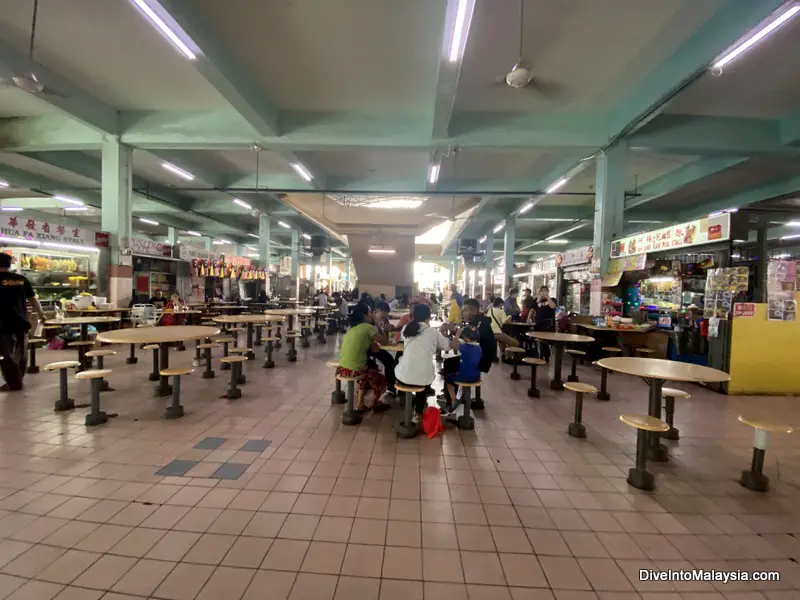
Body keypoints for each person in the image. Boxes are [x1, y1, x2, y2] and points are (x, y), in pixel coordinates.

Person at [395, 304, 458, 422]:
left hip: (403, 377)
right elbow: (448, 345)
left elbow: (404, 338)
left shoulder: (407, 328)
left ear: (412, 316)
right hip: (423, 380)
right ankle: (418, 413)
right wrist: (445, 332)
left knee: (402, 364)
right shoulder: (433, 332)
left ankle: (405, 400)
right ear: (428, 317)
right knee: (422, 382)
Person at [0, 253, 47, 391]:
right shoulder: (21, 280)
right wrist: (41, 314)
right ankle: (18, 379)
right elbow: (33, 299)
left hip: (2, 324)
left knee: (5, 355)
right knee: (21, 354)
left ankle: (13, 383)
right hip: (22, 322)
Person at [440, 298, 496, 404]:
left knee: (450, 364)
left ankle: (450, 400)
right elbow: (467, 336)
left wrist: (454, 331)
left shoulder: (481, 323)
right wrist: (454, 331)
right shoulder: (476, 321)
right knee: (450, 362)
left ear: (474, 311)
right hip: (477, 356)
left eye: (465, 310)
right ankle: (451, 395)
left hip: (482, 360)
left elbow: (471, 336)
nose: (462, 312)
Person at [336, 303, 390, 413]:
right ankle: (375, 403)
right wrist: (378, 325)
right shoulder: (368, 327)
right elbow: (385, 341)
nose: (372, 315)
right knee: (381, 379)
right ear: (365, 315)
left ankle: (360, 404)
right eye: (370, 313)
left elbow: (370, 347)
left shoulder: (352, 328)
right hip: (355, 370)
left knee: (369, 370)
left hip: (342, 368)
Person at [443, 326, 482, 413]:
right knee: (466, 371)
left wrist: (457, 335)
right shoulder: (479, 348)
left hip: (463, 376)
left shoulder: (464, 347)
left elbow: (452, 345)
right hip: (475, 377)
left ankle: (454, 401)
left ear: (466, 338)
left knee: (448, 379)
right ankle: (460, 396)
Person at [371, 301, 397, 396]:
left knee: (390, 360)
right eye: (383, 315)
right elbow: (382, 339)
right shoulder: (371, 322)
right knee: (389, 360)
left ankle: (391, 387)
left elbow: (386, 337)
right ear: (377, 311)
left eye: (386, 315)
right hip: (369, 347)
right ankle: (390, 387)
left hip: (377, 346)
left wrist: (389, 330)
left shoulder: (384, 320)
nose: (384, 317)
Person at [532, 286, 557, 361]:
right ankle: (538, 355)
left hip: (548, 324)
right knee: (538, 340)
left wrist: (547, 297)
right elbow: (532, 309)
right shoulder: (536, 300)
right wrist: (528, 318)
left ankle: (546, 357)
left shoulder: (552, 299)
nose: (543, 292)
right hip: (538, 323)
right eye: (542, 291)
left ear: (548, 292)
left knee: (546, 341)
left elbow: (553, 306)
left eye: (545, 290)